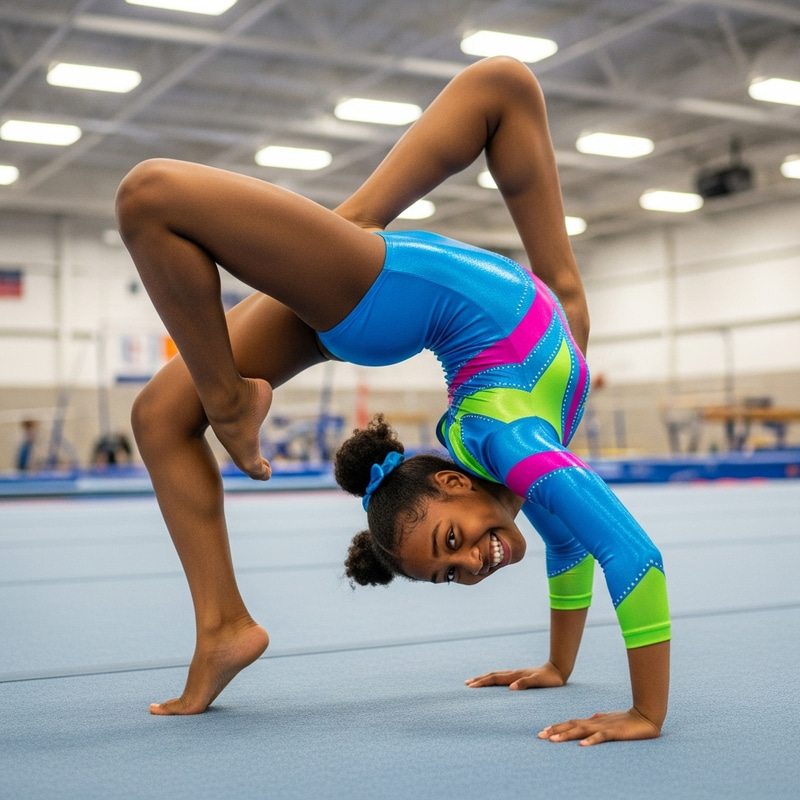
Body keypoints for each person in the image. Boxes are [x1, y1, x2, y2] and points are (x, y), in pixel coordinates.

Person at [116, 55, 669, 745]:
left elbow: (615, 552)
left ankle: (230, 424)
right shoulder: (523, 456)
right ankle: (223, 607)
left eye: (447, 557)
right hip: (394, 292)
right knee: (159, 416)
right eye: (451, 561)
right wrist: (595, 684)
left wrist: (607, 690)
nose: (471, 565)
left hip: (380, 301)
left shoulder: (513, 445)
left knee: (149, 199)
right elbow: (596, 548)